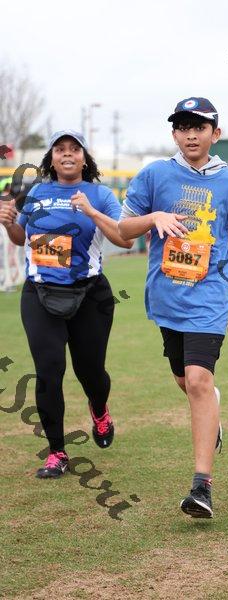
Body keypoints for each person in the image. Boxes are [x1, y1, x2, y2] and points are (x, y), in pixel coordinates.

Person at [118, 97, 228, 518]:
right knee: (186, 381)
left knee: (198, 379)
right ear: (174, 134)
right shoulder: (154, 174)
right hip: (166, 298)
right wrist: (154, 218)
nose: (190, 135)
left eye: (199, 127)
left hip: (210, 298)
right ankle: (211, 408)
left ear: (215, 134)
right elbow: (123, 230)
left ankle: (202, 487)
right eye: (182, 127)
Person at [0, 130, 133, 478]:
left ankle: (99, 409)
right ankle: (57, 452)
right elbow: (21, 237)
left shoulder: (100, 194)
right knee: (48, 371)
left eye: (75, 149)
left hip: (90, 295)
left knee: (91, 372)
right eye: (60, 149)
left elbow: (124, 238)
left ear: (84, 159)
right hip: (39, 294)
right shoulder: (36, 193)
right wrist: (9, 224)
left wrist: (90, 210)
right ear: (52, 158)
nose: (68, 154)